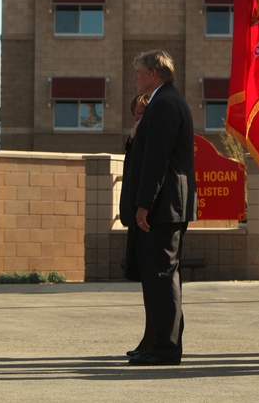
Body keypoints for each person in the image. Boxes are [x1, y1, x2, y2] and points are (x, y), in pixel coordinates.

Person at [122, 50, 196, 366]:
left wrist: (144, 205)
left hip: (164, 208)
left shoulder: (166, 104)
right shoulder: (158, 103)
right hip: (161, 206)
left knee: (162, 276)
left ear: (154, 73)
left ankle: (166, 347)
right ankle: (154, 339)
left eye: (139, 71)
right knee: (154, 277)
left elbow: (157, 161)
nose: (135, 77)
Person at [119, 93, 150, 348]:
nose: (139, 119)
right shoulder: (134, 138)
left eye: (144, 113)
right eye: (136, 114)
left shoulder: (150, 138)